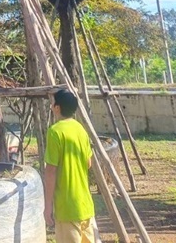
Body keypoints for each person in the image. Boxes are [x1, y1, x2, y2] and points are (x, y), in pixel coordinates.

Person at [43, 88, 98, 243]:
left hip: (67, 207)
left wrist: (48, 207)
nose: (51, 106)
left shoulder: (55, 131)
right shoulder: (81, 129)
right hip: (85, 205)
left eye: (52, 103)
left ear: (57, 108)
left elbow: (50, 171)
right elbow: (88, 163)